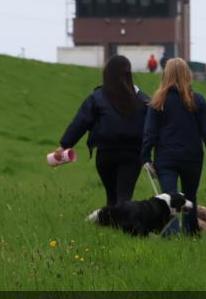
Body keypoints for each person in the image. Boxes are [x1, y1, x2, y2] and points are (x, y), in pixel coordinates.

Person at [140, 58, 206, 236]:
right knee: (190, 197)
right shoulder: (198, 101)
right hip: (192, 158)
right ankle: (190, 233)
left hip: (165, 158)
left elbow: (150, 133)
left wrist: (145, 158)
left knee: (169, 198)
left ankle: (171, 235)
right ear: (187, 75)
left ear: (165, 75)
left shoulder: (158, 102)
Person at [56, 55, 149, 207]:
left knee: (112, 197)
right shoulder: (144, 100)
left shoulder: (97, 97)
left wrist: (64, 145)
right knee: (125, 198)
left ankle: (113, 226)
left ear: (107, 74)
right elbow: (153, 129)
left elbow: (80, 122)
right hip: (132, 155)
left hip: (106, 154)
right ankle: (123, 228)